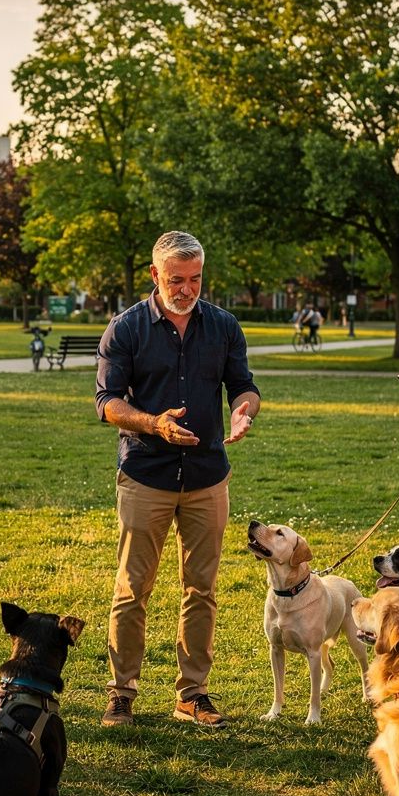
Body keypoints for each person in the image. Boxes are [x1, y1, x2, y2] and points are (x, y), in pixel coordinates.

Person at [95, 230, 261, 728]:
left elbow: (243, 386)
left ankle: (193, 693)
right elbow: (108, 404)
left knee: (202, 589)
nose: (186, 289)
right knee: (133, 588)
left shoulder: (224, 326)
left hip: (208, 476)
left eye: (194, 279)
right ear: (155, 275)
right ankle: (122, 692)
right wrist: (154, 423)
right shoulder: (125, 329)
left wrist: (244, 413)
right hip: (146, 474)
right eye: (175, 280)